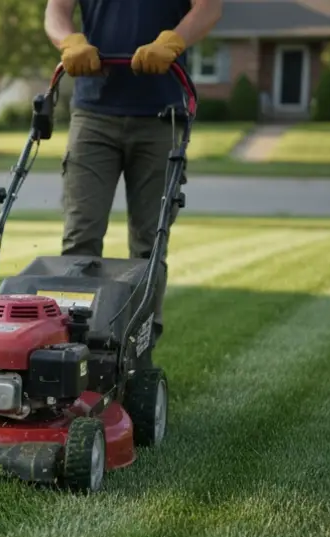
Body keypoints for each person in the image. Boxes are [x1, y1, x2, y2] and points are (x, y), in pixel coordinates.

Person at [43, 0, 222, 341]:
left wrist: (172, 42)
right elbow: (57, 11)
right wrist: (69, 41)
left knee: (149, 244)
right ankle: (74, 344)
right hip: (94, 114)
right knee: (80, 238)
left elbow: (209, 8)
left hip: (161, 114)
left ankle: (139, 345)